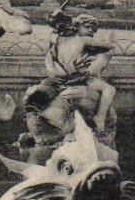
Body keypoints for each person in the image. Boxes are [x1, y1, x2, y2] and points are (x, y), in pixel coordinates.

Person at [20, 8, 117, 155]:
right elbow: (109, 47)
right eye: (88, 26)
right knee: (109, 89)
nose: (92, 30)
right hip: (78, 80)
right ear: (77, 26)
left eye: (94, 28)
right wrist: (103, 44)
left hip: (63, 81)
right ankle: (100, 117)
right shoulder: (83, 41)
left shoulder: (58, 40)